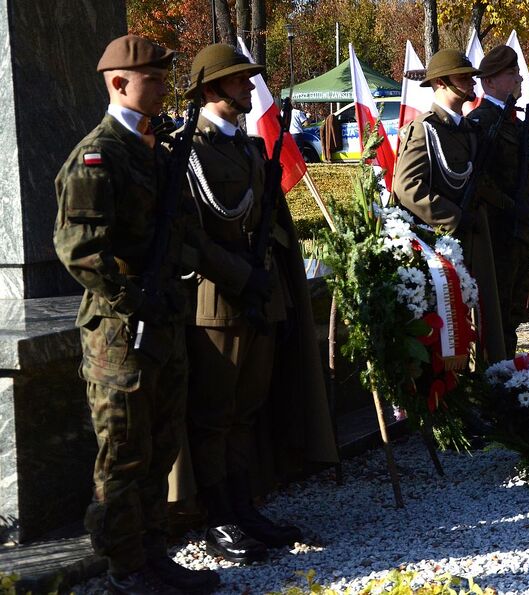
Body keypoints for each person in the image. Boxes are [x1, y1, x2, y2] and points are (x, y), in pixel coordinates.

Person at [54, 34, 224, 594]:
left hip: (162, 323)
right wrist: (136, 298)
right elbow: (79, 250)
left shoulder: (153, 149)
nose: (162, 89)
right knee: (125, 454)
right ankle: (124, 567)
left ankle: (154, 555)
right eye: (152, 79)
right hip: (120, 335)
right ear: (118, 83)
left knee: (161, 444)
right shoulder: (97, 155)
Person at [178, 43, 339, 565]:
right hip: (219, 300)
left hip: (260, 296)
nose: (250, 87)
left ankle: (244, 508)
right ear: (211, 90)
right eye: (239, 80)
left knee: (247, 409)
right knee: (215, 414)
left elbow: (266, 222)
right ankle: (218, 519)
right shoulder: (189, 151)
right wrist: (241, 274)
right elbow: (191, 237)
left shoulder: (248, 148)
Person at [391, 49, 506, 363]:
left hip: (473, 242)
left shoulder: (467, 129)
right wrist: (456, 217)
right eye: (462, 77)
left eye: (471, 76)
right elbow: (406, 187)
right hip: (441, 245)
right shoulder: (424, 129)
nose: (471, 83)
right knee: (449, 330)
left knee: (482, 325)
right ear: (441, 82)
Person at [467, 45, 529, 358]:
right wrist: (510, 206)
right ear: (489, 82)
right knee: (496, 311)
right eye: (511, 73)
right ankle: (495, 373)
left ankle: (508, 368)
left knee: (515, 310)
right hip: (500, 234)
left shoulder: (513, 118)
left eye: (517, 72)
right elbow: (481, 182)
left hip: (523, 228)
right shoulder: (481, 121)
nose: (518, 78)